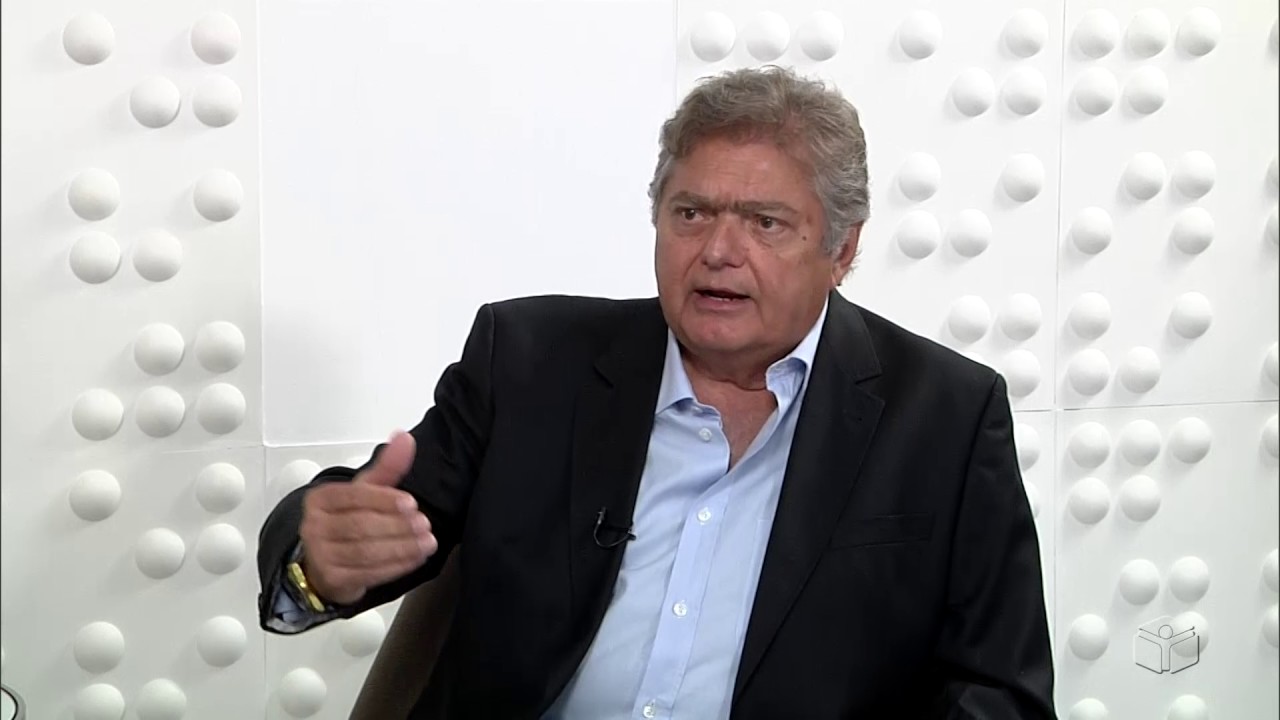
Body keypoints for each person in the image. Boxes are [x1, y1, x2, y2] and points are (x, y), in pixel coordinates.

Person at [257, 65, 1056, 719]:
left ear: (842, 248)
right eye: (691, 213)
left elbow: (1000, 691)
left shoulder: (946, 417)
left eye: (765, 223)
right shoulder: (529, 362)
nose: (718, 251)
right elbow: (372, 515)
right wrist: (316, 563)